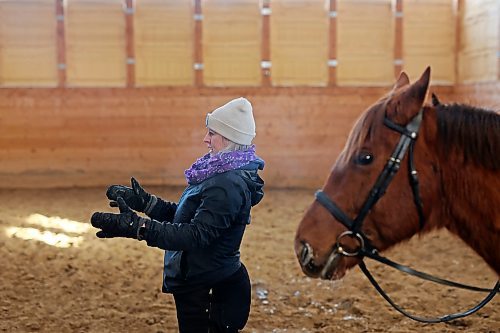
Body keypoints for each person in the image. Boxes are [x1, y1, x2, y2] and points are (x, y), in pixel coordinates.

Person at [90, 97, 265, 333]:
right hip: (203, 283)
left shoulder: (226, 183)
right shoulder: (218, 174)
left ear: (229, 139)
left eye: (212, 133)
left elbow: (195, 235)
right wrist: (147, 204)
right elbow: (186, 219)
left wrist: (138, 228)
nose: (205, 139)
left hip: (211, 289)